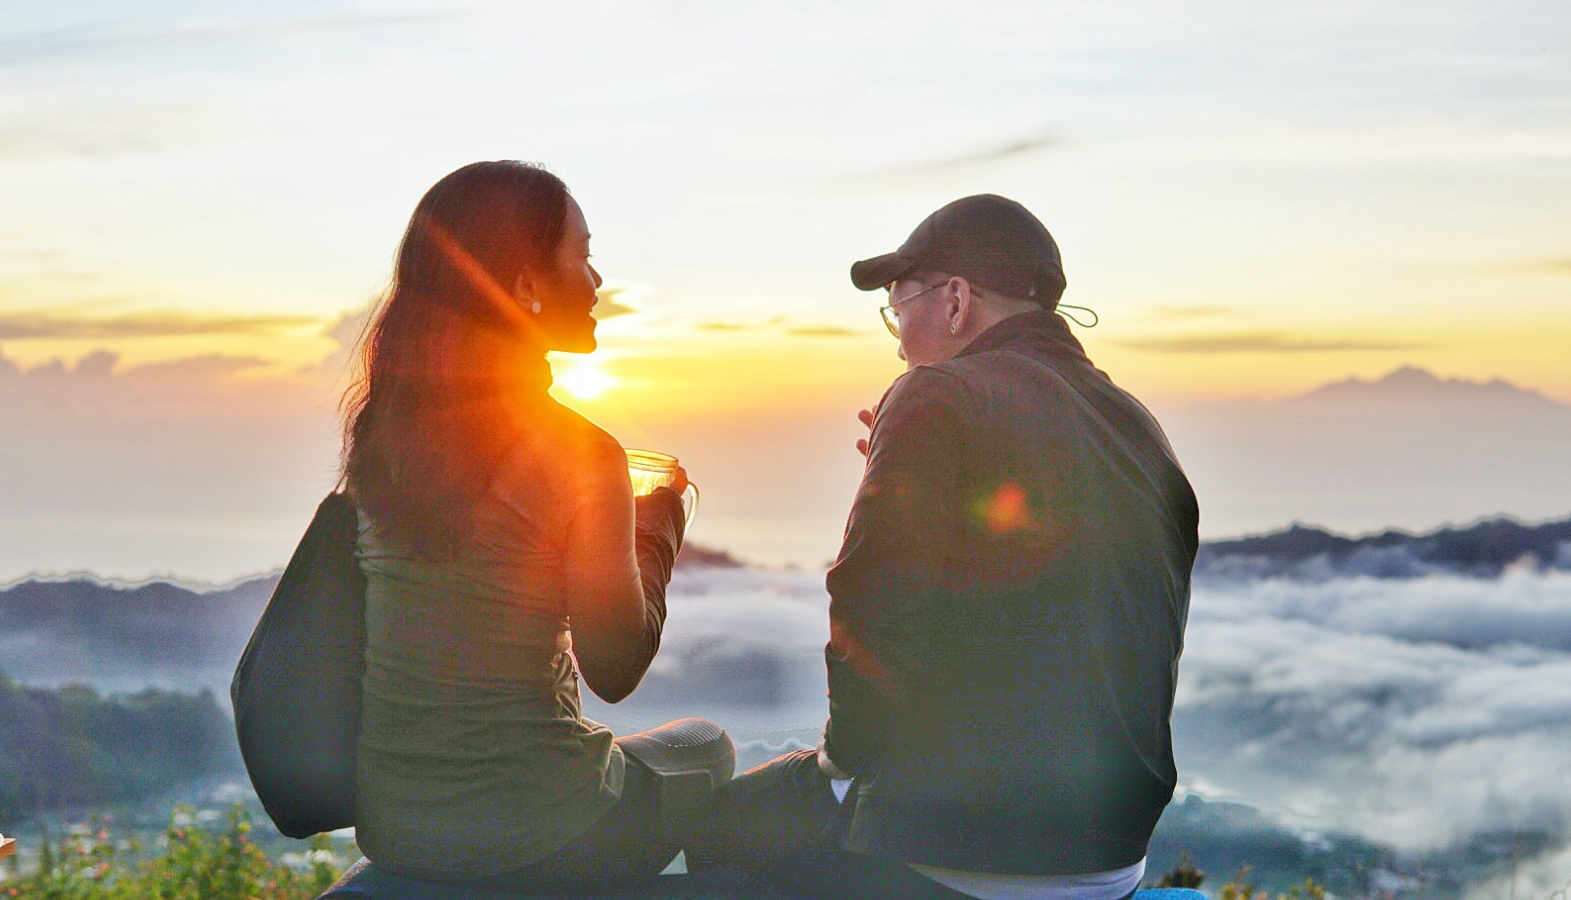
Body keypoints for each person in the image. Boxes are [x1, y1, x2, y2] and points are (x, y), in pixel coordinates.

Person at [687, 194, 1199, 900]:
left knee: (707, 829)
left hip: (966, 850)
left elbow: (871, 601)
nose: (897, 339)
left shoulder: (933, 393)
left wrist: (841, 762)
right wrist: (898, 466)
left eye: (899, 307)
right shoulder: (1139, 425)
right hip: (1113, 858)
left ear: (956, 302)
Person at [341, 160, 733, 893]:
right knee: (709, 747)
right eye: (581, 256)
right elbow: (614, 672)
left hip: (397, 829)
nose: (597, 280)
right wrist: (658, 530)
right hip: (543, 835)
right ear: (524, 285)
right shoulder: (580, 453)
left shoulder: (384, 436)